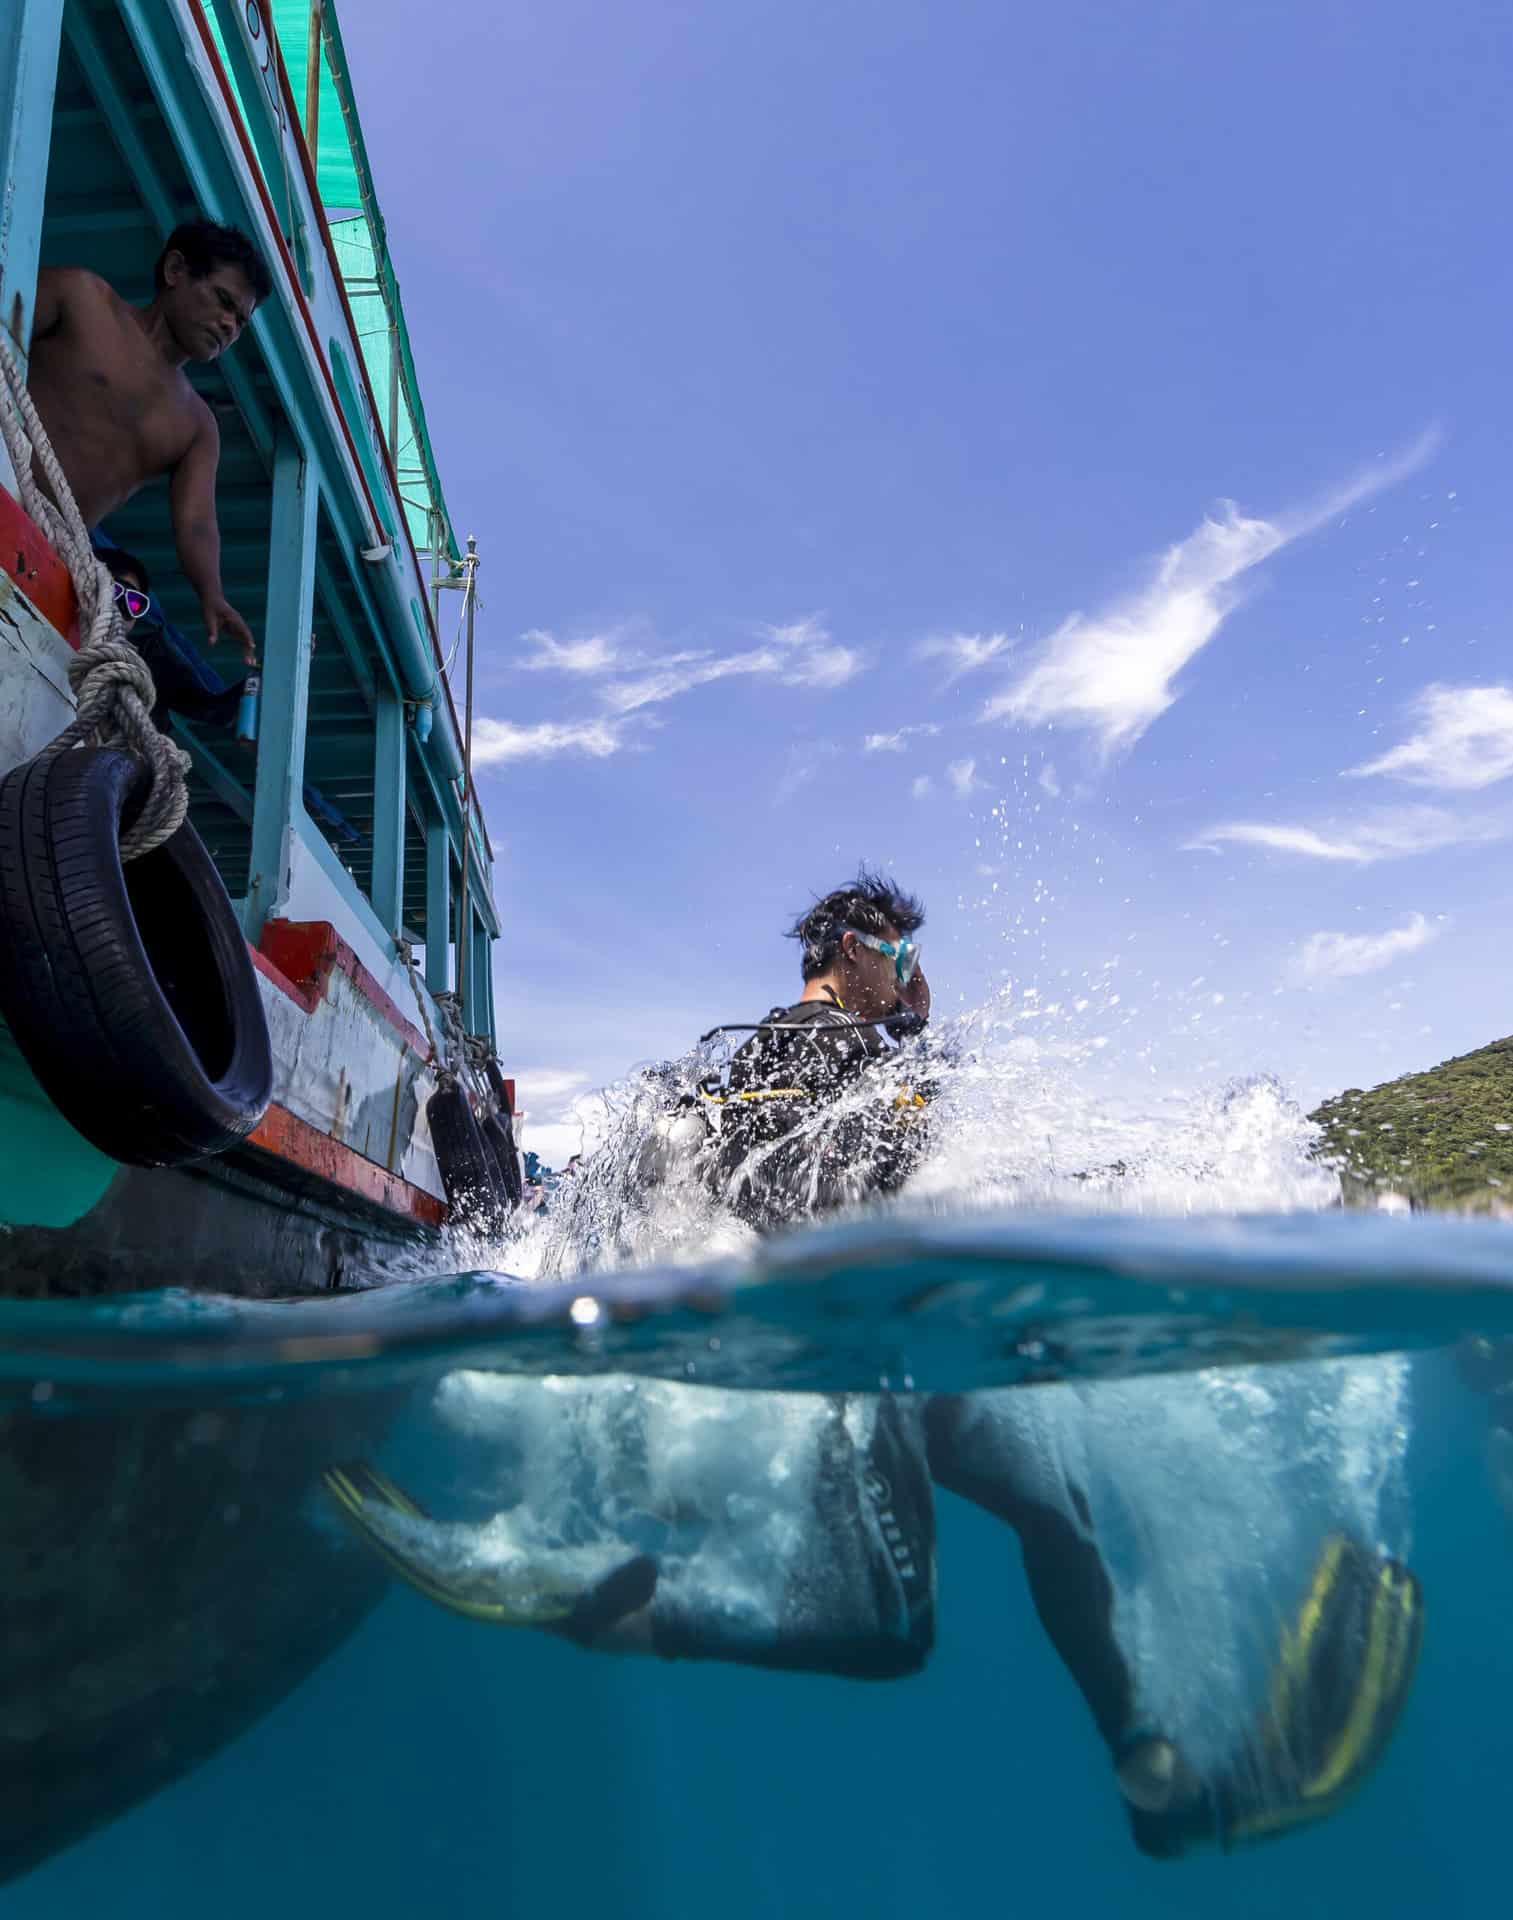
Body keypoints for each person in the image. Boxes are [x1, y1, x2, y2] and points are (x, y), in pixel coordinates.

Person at [326, 869, 1425, 1858]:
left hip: (909, 1326)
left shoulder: (860, 1056)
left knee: (1055, 1503)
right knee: (882, 1631)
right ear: (848, 947)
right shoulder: (799, 1048)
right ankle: (575, 1591)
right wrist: (912, 1071)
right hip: (846, 1345)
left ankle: (1148, 1766)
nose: (916, 976)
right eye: (900, 954)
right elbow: (795, 1200)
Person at [28, 219, 272, 664]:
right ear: (176, 270)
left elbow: (197, 522)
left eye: (241, 320)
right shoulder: (82, 297)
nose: (229, 325)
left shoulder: (196, 424)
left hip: (49, 554)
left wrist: (212, 594)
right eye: (223, 301)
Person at [707, 872, 933, 1228]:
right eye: (899, 959)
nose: (900, 978)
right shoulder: (850, 1037)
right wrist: (914, 1029)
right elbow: (912, 1158)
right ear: (853, 949)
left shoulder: (763, 1041)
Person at [98, 545, 243, 731]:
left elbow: (215, 710)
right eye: (114, 591)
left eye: (134, 603)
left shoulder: (143, 669)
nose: (121, 607)